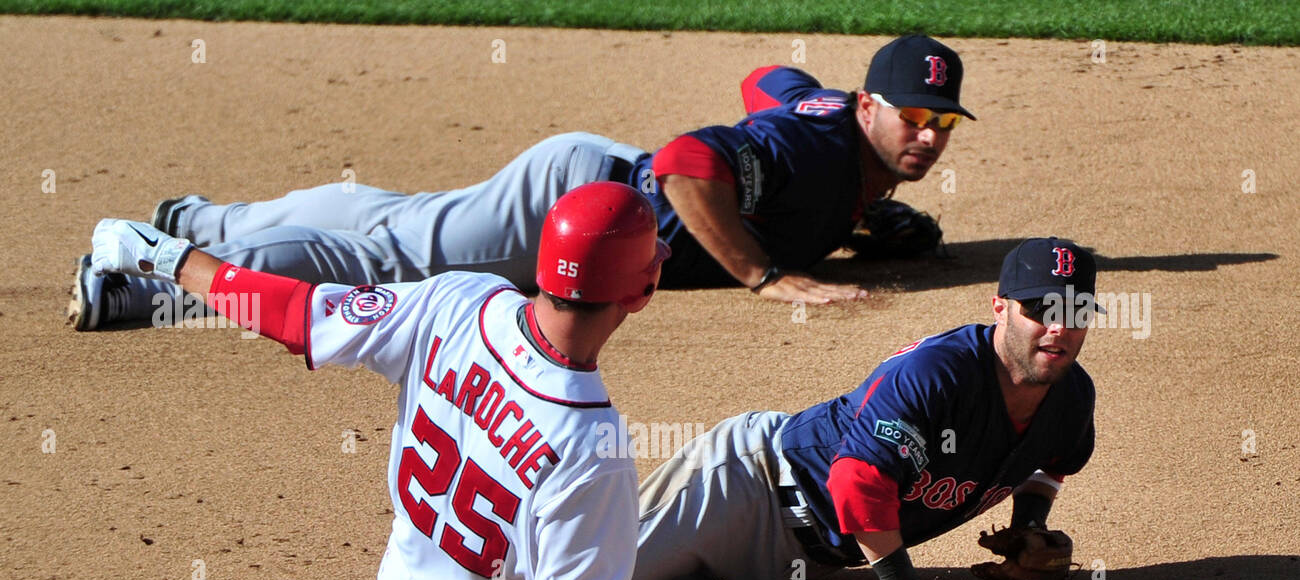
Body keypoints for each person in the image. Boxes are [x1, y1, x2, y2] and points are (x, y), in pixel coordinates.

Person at [86, 182, 718, 580]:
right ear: (639, 292)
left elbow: (297, 316)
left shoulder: (458, 300)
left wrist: (165, 257)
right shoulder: (591, 445)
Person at [68, 34, 973, 330]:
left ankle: (198, 218)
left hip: (587, 188)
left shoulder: (824, 121)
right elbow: (686, 163)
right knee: (390, 263)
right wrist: (769, 274)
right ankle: (151, 265)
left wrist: (859, 215)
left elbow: (768, 84)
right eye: (911, 117)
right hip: (579, 207)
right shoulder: (816, 154)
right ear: (867, 105)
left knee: (398, 227)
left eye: (940, 124)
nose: (926, 136)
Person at [630, 238, 1100, 580]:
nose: (1058, 326)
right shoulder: (937, 373)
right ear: (1000, 307)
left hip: (813, 565)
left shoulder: (1071, 397)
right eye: (1040, 308)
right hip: (745, 492)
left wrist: (1028, 527)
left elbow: (1053, 460)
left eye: (1076, 311)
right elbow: (856, 481)